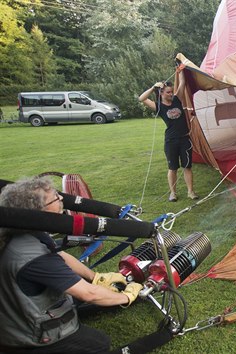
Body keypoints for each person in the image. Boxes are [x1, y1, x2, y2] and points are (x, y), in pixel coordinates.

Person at [0, 176, 143, 353]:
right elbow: (89, 294)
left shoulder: (25, 232)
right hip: (24, 335)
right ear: (37, 211)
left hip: (16, 308)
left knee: (75, 299)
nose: (61, 199)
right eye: (55, 197)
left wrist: (95, 277)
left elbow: (60, 254)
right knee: (99, 343)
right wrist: (126, 297)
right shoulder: (33, 256)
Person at [138, 66, 198, 202]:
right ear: (161, 93)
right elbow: (141, 98)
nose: (171, 94)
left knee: (187, 166)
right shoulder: (158, 106)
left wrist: (181, 69)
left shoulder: (177, 99)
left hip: (184, 139)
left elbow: (182, 83)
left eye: (171, 92)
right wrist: (154, 87)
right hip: (171, 141)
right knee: (173, 168)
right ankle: (173, 193)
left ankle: (191, 192)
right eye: (168, 92)